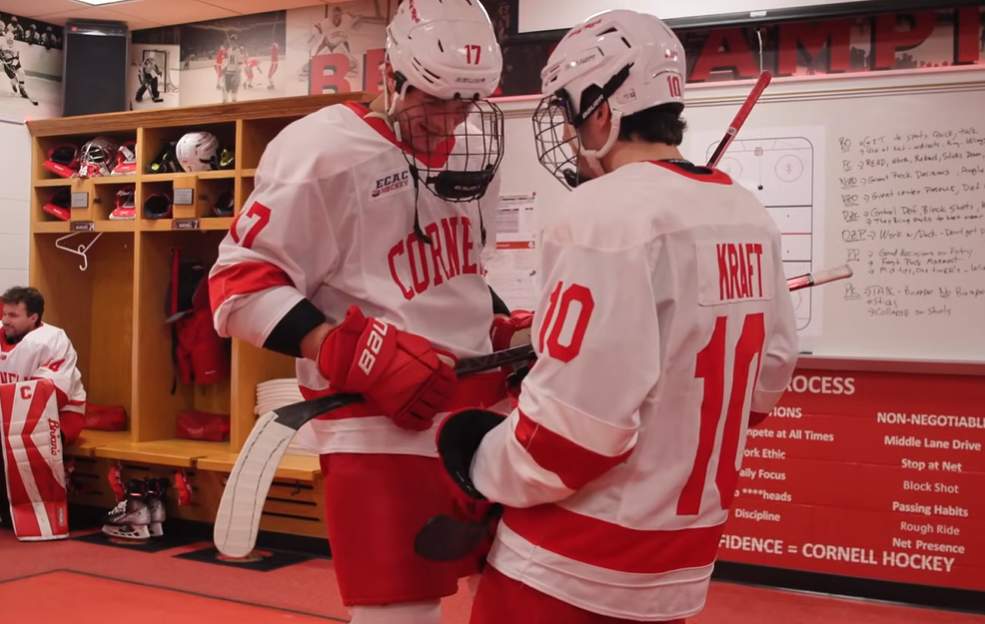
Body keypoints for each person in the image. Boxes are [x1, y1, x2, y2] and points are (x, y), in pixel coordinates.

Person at [434, 10, 800, 623]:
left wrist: (481, 462)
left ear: (602, 111)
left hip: (567, 565)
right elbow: (766, 382)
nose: (569, 132)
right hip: (679, 568)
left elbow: (570, 437)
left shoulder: (604, 212)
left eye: (571, 113)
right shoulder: (748, 214)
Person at [208, 1, 509, 622]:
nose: (451, 119)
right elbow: (237, 286)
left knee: (509, 594)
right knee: (398, 611)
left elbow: (460, 271)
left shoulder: (471, 152)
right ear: (391, 77)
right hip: (377, 425)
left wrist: (499, 325)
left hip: (477, 413)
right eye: (435, 99)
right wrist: (342, 346)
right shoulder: (323, 150)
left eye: (467, 102)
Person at [1, 286, 86, 529]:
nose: (6, 320)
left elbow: (50, 395)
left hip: (59, 414)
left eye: (13, 315)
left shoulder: (53, 340)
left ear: (33, 317)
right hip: (7, 414)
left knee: (25, 439)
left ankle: (37, 513)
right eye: (4, 314)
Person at [0, 29, 38, 105]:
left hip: (15, 63)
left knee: (21, 73)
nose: (10, 40)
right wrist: (1, 58)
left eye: (11, 39)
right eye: (8, 39)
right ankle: (13, 84)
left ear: (13, 39)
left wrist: (13, 66)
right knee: (14, 80)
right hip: (7, 65)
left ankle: (22, 89)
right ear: (6, 39)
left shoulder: (16, 47)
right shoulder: (2, 45)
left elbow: (16, 58)